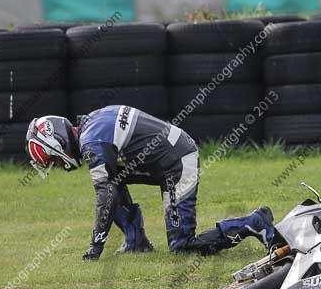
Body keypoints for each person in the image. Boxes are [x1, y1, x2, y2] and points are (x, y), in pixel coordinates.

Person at [25, 105, 275, 261]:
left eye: (53, 159)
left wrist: (95, 246)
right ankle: (137, 242)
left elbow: (106, 197)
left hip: (178, 162)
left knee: (181, 246)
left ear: (59, 144)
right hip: (167, 158)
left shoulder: (92, 143)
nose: (57, 165)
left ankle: (253, 223)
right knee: (110, 181)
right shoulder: (92, 123)